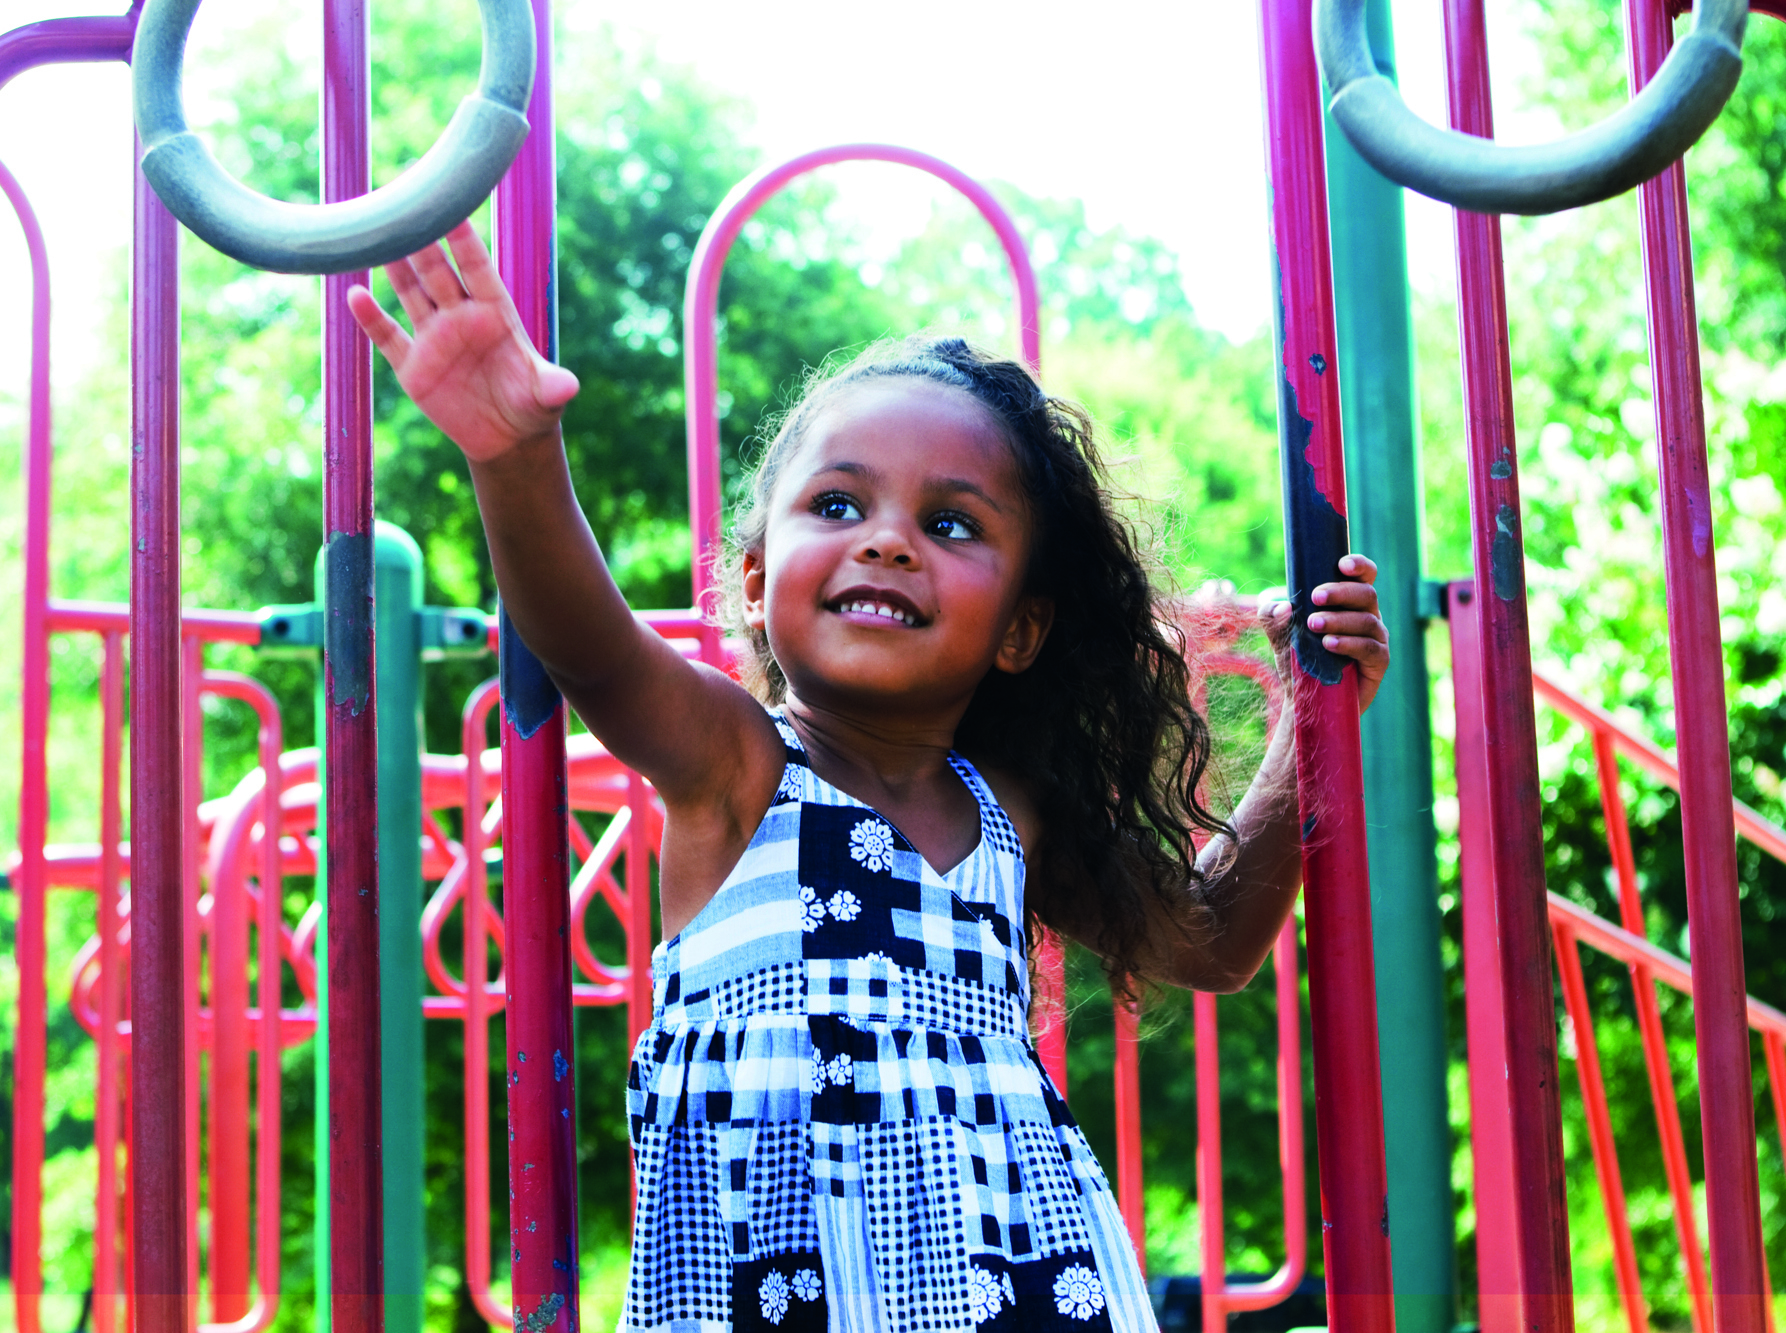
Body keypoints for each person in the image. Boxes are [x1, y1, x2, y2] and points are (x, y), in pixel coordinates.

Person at [348, 222, 1389, 1333]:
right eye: (837, 504)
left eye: (948, 523)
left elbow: (1210, 935)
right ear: (754, 583)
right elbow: (590, 647)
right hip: (786, 1292)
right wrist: (514, 454)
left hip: (1023, 1294)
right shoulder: (738, 765)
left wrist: (1313, 720)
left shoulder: (1007, 815)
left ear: (1021, 630)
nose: (886, 541)